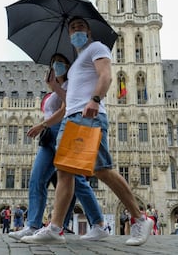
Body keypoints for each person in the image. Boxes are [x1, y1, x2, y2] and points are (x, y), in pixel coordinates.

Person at [20, 16, 153, 246]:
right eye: (73, 28)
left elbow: (106, 75)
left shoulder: (97, 48)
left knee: (102, 170)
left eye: (80, 26)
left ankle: (140, 219)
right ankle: (55, 228)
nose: (76, 30)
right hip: (72, 119)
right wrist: (55, 89)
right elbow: (70, 98)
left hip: (88, 117)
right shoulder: (77, 61)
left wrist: (95, 99)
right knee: (64, 171)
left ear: (89, 30)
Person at [9, 53, 108, 241]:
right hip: (49, 137)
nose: (57, 65)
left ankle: (98, 223)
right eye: (54, 62)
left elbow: (67, 108)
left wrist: (43, 124)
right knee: (37, 179)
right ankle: (33, 225)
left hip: (64, 130)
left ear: (68, 65)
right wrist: (53, 88)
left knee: (78, 181)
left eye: (61, 62)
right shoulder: (56, 88)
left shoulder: (72, 84)